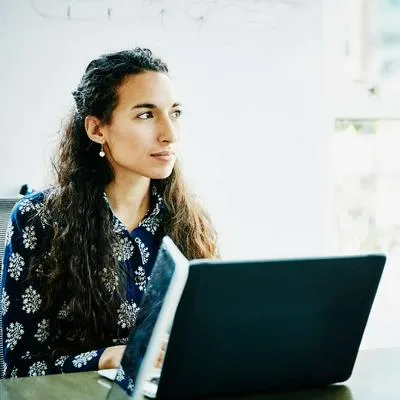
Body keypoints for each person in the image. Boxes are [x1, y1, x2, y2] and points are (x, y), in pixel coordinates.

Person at [1, 47, 218, 379]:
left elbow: (211, 338)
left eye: (174, 113)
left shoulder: (191, 220)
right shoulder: (38, 219)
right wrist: (102, 359)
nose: (169, 134)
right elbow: (19, 368)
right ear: (97, 129)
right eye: (146, 115)